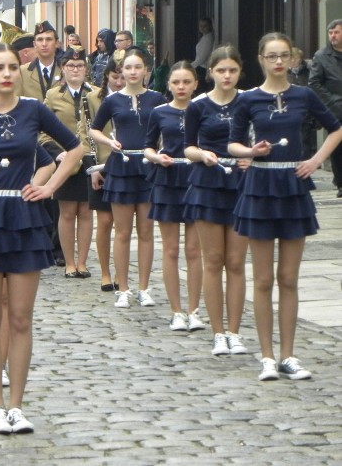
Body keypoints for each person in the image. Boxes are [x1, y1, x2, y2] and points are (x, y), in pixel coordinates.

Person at [0, 43, 86, 434]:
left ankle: (17, 405)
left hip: (24, 219)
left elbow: (75, 148)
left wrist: (49, 187)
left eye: (13, 67)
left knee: (21, 319)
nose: (7, 74)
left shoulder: (33, 108)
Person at [228, 32, 342, 381]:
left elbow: (336, 130)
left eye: (284, 56)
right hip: (260, 186)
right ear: (261, 59)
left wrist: (315, 160)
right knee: (262, 279)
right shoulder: (248, 99)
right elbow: (232, 143)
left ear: (293, 59)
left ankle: (289, 355)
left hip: (293, 187)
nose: (278, 62)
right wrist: (251, 152)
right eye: (271, 56)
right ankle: (266, 356)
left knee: (288, 278)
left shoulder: (304, 95)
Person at [89, 48, 167, 309]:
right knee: (121, 232)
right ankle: (123, 288)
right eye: (128, 67)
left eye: (138, 67)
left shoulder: (157, 99)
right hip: (121, 167)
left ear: (146, 70)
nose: (133, 71)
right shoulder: (112, 101)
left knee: (146, 232)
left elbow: (167, 126)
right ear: (121, 71)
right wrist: (109, 142)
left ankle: (144, 288)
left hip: (147, 167)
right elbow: (94, 129)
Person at [184, 45, 249, 356]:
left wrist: (252, 156)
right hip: (207, 184)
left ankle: (235, 331)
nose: (226, 76)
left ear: (240, 72)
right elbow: (187, 148)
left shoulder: (249, 102)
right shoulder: (198, 106)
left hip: (240, 185)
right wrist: (204, 155)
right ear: (210, 72)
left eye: (232, 70)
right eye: (221, 70)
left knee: (236, 263)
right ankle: (218, 332)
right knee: (213, 262)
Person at [144, 61, 204, 333]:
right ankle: (176, 310)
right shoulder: (159, 112)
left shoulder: (203, 110)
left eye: (186, 82)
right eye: (176, 82)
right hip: (167, 179)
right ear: (168, 85)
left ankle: (194, 310)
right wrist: (157, 157)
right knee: (170, 249)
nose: (181, 87)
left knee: (194, 250)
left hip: (195, 179)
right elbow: (147, 147)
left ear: (195, 85)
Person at [43, 49, 97, 279]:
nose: (75, 70)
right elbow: (42, 131)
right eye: (71, 66)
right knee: (66, 213)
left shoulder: (96, 93)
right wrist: (56, 153)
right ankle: (69, 262)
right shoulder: (53, 95)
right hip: (65, 159)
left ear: (86, 69)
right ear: (63, 69)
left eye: (80, 65)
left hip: (89, 159)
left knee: (86, 211)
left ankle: (83, 262)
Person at [87, 59, 122, 291]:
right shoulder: (93, 98)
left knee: (124, 224)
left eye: (122, 76)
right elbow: (86, 133)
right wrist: (93, 168)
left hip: (125, 166)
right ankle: (105, 272)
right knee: (105, 221)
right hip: (100, 164)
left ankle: (122, 272)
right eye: (115, 77)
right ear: (107, 76)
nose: (119, 82)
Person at [308, 19, 342, 197]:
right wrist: (334, 102)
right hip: (335, 110)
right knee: (338, 147)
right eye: (330, 33)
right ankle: (341, 182)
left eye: (336, 32)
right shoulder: (321, 56)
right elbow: (314, 83)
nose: (333, 36)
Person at [20, 21, 62, 101]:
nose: (44, 44)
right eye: (40, 40)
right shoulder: (22, 72)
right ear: (34, 44)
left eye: (49, 39)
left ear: (56, 43)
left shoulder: (66, 70)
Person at [192, 18, 215, 91]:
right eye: (201, 26)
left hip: (204, 68)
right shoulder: (205, 37)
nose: (202, 28)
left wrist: (191, 66)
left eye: (205, 26)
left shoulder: (209, 38)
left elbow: (203, 57)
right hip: (200, 66)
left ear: (210, 26)